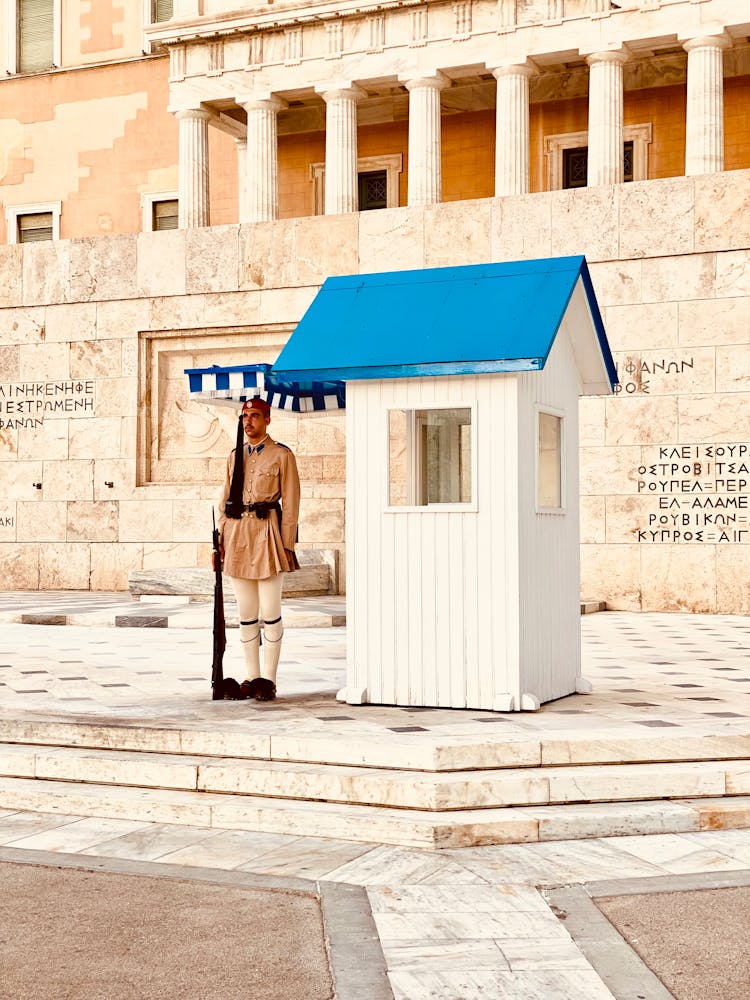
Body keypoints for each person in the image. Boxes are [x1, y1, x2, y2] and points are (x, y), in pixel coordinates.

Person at [216, 396, 300, 701]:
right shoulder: (234, 456)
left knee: (271, 609)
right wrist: (221, 540)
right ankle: (251, 676)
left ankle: (269, 679)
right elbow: (224, 501)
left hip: (267, 532)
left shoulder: (281, 455)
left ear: (267, 419)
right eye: (244, 417)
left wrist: (288, 544)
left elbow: (291, 503)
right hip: (239, 534)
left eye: (254, 416)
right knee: (246, 611)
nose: (248, 421)